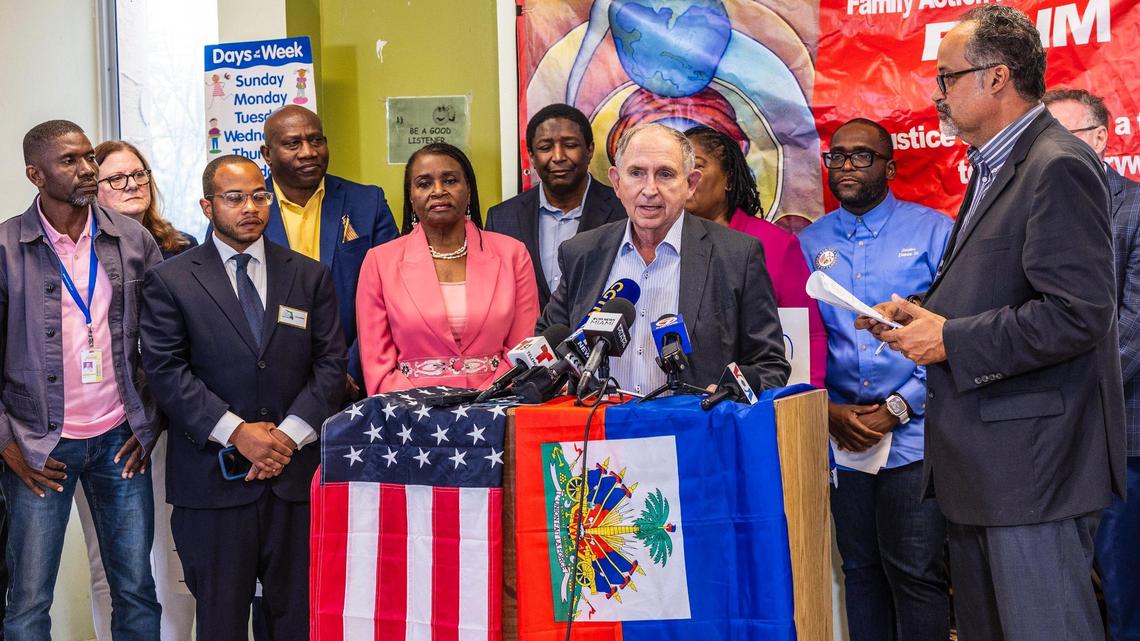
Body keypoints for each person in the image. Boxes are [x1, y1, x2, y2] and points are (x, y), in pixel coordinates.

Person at [862, 7, 1126, 640]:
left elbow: (1078, 313)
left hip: (1031, 471)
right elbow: (1006, 287)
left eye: (947, 78)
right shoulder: (996, 164)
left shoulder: (1055, 164)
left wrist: (947, 338)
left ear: (996, 77)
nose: (937, 95)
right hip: (987, 468)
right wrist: (928, 313)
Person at [141, 154, 346, 641]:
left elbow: (331, 366)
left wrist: (286, 439)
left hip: (294, 479)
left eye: (259, 195)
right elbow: (166, 371)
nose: (250, 207)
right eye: (234, 198)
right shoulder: (172, 280)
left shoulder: (309, 275)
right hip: (212, 483)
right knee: (221, 621)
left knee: (295, 619)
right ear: (208, 206)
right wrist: (237, 433)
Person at [0, 120, 162, 640]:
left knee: (136, 590)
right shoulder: (5, 247)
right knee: (27, 600)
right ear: (36, 174)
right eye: (69, 160)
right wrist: (6, 443)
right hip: (37, 444)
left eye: (89, 156)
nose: (88, 169)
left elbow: (166, 344)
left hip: (119, 437)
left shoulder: (131, 238)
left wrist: (149, 420)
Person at [798, 118, 952, 641]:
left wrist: (899, 407)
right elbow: (804, 341)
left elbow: (955, 338)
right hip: (845, 437)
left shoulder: (935, 232)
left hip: (915, 435)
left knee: (915, 573)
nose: (846, 166)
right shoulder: (809, 243)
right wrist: (829, 412)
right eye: (837, 156)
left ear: (891, 165)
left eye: (861, 156)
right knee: (860, 573)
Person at [537, 122, 790, 394]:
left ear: (690, 184)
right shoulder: (581, 252)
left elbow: (770, 364)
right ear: (616, 182)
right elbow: (547, 343)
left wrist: (730, 392)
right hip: (597, 429)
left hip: (693, 428)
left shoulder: (737, 255)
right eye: (636, 173)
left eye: (665, 174)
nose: (649, 189)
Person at [72, 139, 198, 641]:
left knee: (174, 558)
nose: (132, 185)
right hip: (102, 425)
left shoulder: (181, 249)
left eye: (139, 174)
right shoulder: (75, 255)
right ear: (92, 190)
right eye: (116, 178)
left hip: (167, 424)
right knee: (112, 564)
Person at [1044, 87, 1140, 641]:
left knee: (1125, 590)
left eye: (1064, 136)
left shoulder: (1135, 210)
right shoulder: (1039, 209)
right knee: (1059, 590)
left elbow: (1134, 327)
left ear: (1100, 139)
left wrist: (1070, 392)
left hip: (1122, 436)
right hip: (1052, 442)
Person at [356, 143, 540, 393]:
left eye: (450, 180)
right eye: (424, 184)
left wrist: (483, 402)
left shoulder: (513, 255)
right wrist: (421, 411)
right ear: (411, 196)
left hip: (495, 407)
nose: (438, 191)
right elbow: (378, 364)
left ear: (468, 190)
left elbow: (522, 348)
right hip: (408, 416)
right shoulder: (380, 262)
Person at [261, 105, 398, 398]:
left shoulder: (367, 202)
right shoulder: (245, 212)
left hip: (353, 381)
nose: (308, 151)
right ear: (267, 154)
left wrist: (348, 371)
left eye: (316, 140)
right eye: (293, 143)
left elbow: (394, 295)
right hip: (271, 389)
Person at [683, 125, 827, 387]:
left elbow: (809, 333)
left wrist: (807, 402)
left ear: (728, 179)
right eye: (677, 169)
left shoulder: (775, 244)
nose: (686, 177)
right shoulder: (663, 243)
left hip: (759, 401)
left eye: (698, 166)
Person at [486, 103, 626, 308]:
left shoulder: (623, 211)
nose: (558, 157)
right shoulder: (502, 219)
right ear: (532, 157)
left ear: (589, 150)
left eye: (570, 145)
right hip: (526, 338)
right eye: (545, 148)